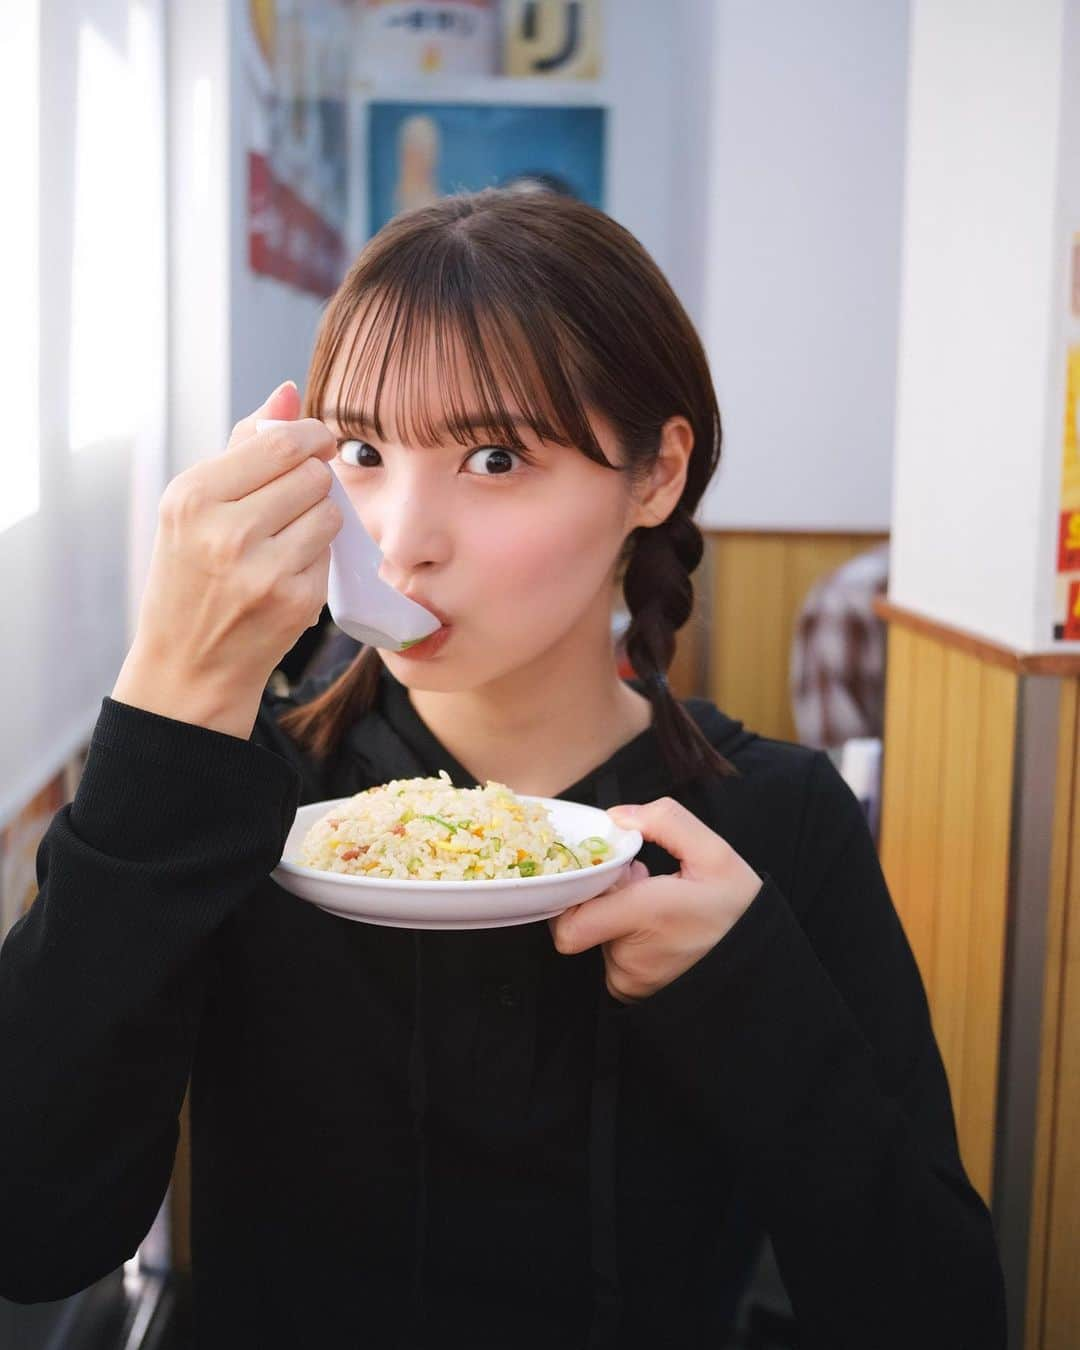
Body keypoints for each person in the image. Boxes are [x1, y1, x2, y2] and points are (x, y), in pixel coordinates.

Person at [0, 188, 1005, 1348]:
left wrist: (749, 994)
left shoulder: (766, 824)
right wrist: (170, 701)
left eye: (492, 457)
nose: (399, 536)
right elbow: (34, 1232)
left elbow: (942, 1316)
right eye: (364, 451)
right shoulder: (243, 802)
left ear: (655, 475)